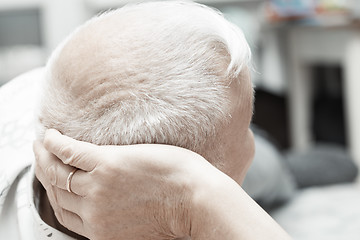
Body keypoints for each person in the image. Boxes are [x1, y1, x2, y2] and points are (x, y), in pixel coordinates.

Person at [1, 1, 291, 239]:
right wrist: (197, 196)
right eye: (245, 130)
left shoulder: (34, 91)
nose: (248, 142)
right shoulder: (196, 185)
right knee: (280, 171)